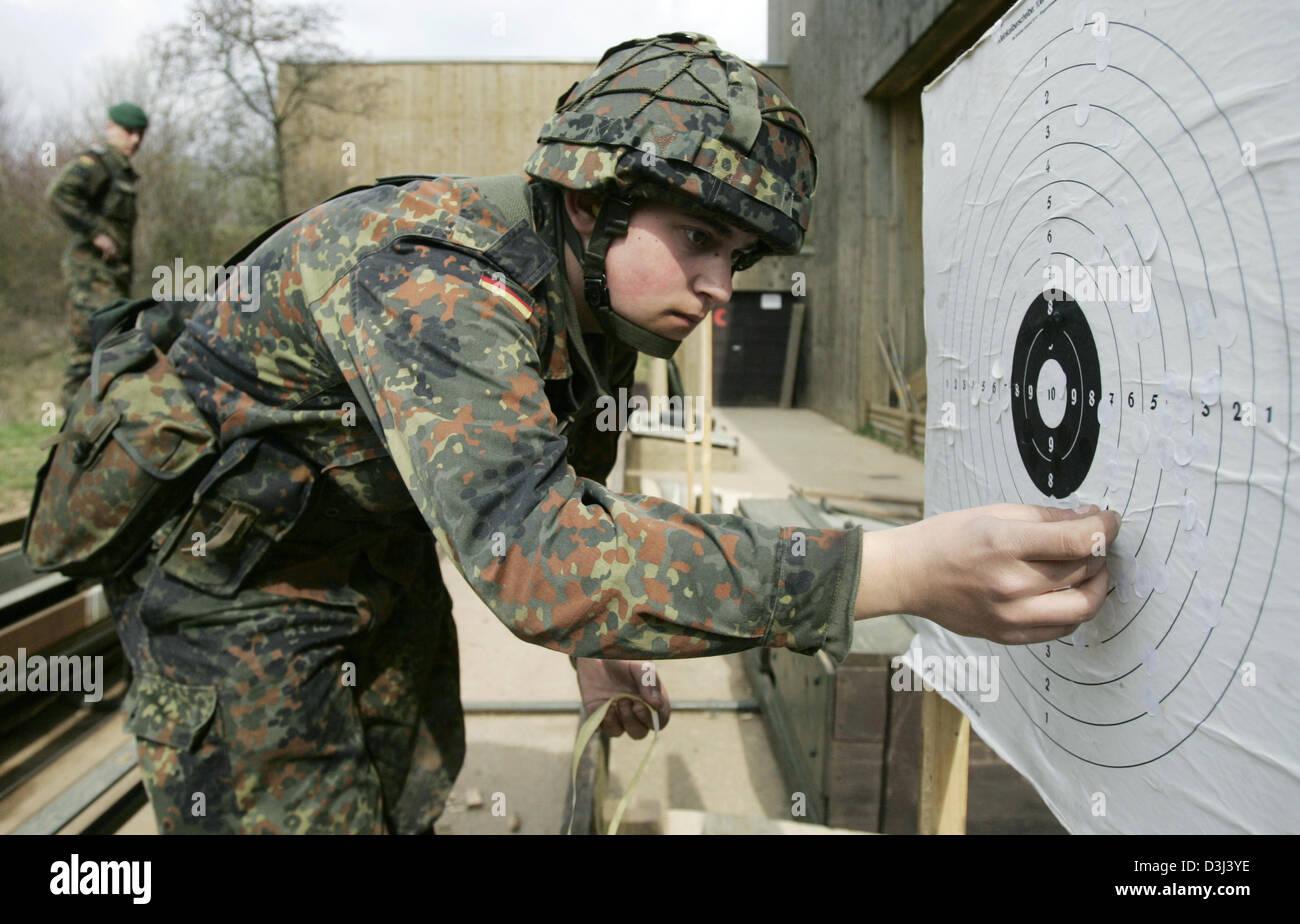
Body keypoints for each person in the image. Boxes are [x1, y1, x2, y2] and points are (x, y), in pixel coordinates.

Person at [103, 33, 1119, 834]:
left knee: (406, 777)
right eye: (699, 240)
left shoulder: (597, 303)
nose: (721, 288)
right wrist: (888, 571)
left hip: (364, 541)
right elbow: (540, 559)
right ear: (592, 202)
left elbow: (563, 496)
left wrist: (590, 647)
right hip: (228, 580)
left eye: (742, 256)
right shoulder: (436, 282)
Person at [46, 101, 147, 408]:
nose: (135, 140)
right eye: (128, 132)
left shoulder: (123, 172)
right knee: (96, 346)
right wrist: (96, 233)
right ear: (110, 129)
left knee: (104, 349)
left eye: (140, 134)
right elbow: (59, 194)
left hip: (111, 276)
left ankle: (92, 424)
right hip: (91, 274)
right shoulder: (98, 163)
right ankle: (68, 431)